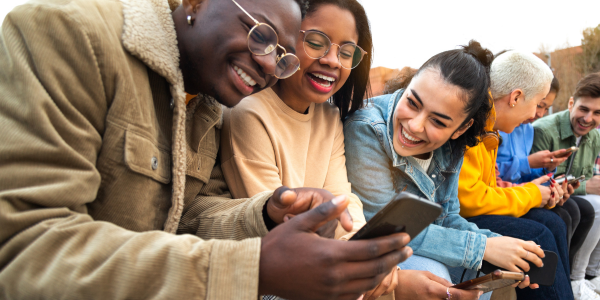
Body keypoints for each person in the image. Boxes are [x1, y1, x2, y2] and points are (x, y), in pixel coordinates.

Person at [0, 0, 412, 298]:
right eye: (261, 35)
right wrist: (251, 269)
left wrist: (268, 213)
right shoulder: (70, 33)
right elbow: (24, 245)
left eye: (283, 57)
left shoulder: (208, 101)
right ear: (196, 2)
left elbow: (189, 213)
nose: (270, 66)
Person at [344, 41, 540, 300]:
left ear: (461, 129)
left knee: (494, 278)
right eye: (412, 103)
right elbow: (383, 231)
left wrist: (504, 247)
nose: (414, 125)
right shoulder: (367, 128)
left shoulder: (453, 145)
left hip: (412, 244)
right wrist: (482, 247)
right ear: (407, 86)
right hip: (372, 249)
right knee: (434, 272)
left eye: (438, 121)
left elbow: (447, 217)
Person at [220, 0, 371, 243]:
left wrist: (364, 248)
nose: (332, 60)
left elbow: (341, 200)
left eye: (345, 53)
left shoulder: (329, 118)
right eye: (315, 42)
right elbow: (279, 221)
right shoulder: (248, 112)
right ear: (283, 38)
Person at [457, 50, 574, 299]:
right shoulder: (474, 122)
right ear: (516, 97)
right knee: (538, 234)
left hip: (473, 210)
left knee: (551, 220)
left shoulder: (491, 126)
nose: (535, 115)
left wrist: (536, 190)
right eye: (538, 103)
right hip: (456, 219)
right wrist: (532, 193)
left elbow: (489, 188)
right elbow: (468, 200)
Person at [497, 76, 595, 270]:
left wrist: (548, 173)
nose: (538, 113)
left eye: (545, 107)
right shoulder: (503, 128)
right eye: (537, 105)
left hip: (522, 190)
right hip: (509, 195)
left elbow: (528, 177)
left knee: (580, 210)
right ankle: (564, 278)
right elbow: (496, 174)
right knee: (560, 219)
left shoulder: (527, 129)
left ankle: (569, 276)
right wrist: (529, 163)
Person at [532, 72, 600, 300]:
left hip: (567, 194)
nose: (588, 118)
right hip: (544, 194)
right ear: (571, 103)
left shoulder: (594, 137)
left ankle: (587, 274)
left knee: (590, 207)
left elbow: (587, 174)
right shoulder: (544, 130)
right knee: (587, 208)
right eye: (584, 109)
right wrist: (586, 188)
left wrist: (586, 185)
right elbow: (537, 175)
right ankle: (572, 278)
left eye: (597, 113)